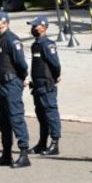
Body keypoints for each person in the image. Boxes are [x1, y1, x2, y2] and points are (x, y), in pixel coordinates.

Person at [0, 11, 30, 168]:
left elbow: (21, 64)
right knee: (3, 121)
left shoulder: (12, 40)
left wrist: (20, 79)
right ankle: (6, 155)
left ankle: (24, 154)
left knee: (16, 118)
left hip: (11, 84)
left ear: (4, 22)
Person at [27, 16, 61, 156]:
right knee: (41, 115)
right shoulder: (35, 44)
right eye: (32, 26)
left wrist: (55, 77)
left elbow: (55, 64)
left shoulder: (47, 44)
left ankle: (54, 143)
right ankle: (42, 142)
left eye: (35, 26)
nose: (33, 28)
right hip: (37, 85)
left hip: (47, 84)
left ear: (43, 27)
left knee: (50, 113)